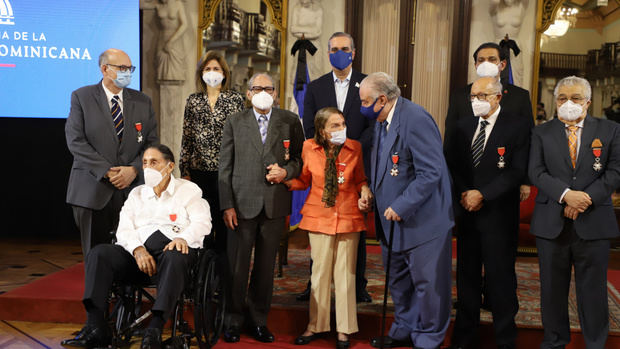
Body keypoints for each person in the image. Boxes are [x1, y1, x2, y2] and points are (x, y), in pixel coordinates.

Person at [61, 144, 212, 349]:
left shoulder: (188, 190)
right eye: (144, 163)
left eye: (154, 162)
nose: (148, 167)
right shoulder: (137, 194)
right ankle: (95, 326)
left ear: (169, 166)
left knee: (175, 254)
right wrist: (137, 249)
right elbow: (123, 228)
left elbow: (202, 222)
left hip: (173, 255)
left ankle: (155, 329)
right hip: (138, 257)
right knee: (99, 254)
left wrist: (183, 238)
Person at [359, 72, 453, 349]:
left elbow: (431, 172)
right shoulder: (381, 121)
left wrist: (401, 205)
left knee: (428, 285)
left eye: (366, 101)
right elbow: (385, 165)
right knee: (400, 281)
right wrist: (372, 196)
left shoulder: (416, 118)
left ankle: (428, 338)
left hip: (422, 220)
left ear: (383, 99)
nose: (362, 106)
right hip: (391, 221)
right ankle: (404, 328)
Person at [529, 76, 620, 349]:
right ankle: (554, 342)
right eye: (562, 98)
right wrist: (567, 196)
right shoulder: (540, 132)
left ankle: (595, 344)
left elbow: (615, 171)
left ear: (588, 102)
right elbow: (535, 172)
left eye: (576, 98)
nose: (568, 103)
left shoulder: (611, 130)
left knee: (592, 292)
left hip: (594, 223)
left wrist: (585, 198)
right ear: (555, 102)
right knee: (552, 291)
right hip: (551, 224)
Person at [444, 77, 530, 349]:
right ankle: (464, 337)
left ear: (498, 97)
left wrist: (484, 194)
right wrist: (467, 192)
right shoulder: (462, 126)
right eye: (473, 96)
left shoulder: (517, 126)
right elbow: (453, 165)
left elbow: (518, 171)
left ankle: (505, 339)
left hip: (499, 216)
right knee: (467, 280)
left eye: (483, 95)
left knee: (500, 281)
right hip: (468, 214)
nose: (476, 100)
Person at [218, 72, 304, 343]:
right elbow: (225, 168)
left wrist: (286, 172)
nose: (263, 92)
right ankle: (232, 320)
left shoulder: (290, 121)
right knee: (237, 267)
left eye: (268, 88)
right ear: (248, 93)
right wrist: (227, 205)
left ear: (276, 94)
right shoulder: (235, 122)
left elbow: (301, 160)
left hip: (274, 205)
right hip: (241, 206)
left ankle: (258, 320)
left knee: (265, 269)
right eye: (257, 88)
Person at [298, 31, 374, 303]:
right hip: (324, 161)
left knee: (355, 225)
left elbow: (373, 125)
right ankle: (314, 283)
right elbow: (309, 124)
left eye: (344, 48)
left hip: (357, 161)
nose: (338, 53)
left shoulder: (367, 83)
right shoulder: (316, 87)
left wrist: (351, 146)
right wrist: (329, 147)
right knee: (321, 225)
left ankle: (359, 285)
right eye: (333, 49)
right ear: (328, 53)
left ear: (353, 52)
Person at [286, 107, 371, 349]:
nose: (341, 129)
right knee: (319, 275)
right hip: (319, 216)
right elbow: (303, 180)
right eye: (335, 125)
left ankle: (344, 330)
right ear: (322, 131)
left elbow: (360, 180)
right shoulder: (308, 148)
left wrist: (365, 191)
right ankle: (315, 325)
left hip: (348, 217)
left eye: (343, 124)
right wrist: (284, 180)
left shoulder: (355, 148)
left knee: (346, 277)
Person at [65, 48, 158, 256]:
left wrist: (133, 170)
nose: (128, 72)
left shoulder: (142, 101)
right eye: (122, 68)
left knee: (130, 254)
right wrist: (107, 171)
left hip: (131, 190)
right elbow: (76, 141)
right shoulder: (82, 97)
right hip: (92, 189)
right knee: (95, 256)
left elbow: (152, 143)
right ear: (105, 69)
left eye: (130, 68)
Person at [180, 50, 245, 253]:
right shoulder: (194, 100)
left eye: (216, 68)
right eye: (207, 69)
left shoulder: (235, 99)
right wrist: (185, 172)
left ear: (224, 73)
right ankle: (203, 278)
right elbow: (187, 136)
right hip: (199, 172)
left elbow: (242, 138)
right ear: (201, 73)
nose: (212, 72)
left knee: (225, 227)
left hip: (227, 173)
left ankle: (224, 277)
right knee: (202, 226)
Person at [140, 0, 188, 81]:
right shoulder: (157, 5)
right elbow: (140, 4)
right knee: (162, 74)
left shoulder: (178, 4)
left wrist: (171, 41)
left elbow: (184, 25)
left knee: (175, 74)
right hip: (162, 39)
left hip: (175, 40)